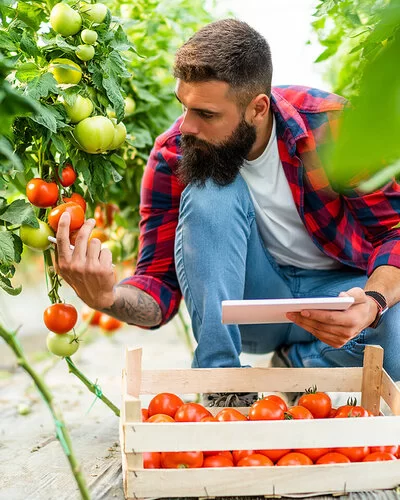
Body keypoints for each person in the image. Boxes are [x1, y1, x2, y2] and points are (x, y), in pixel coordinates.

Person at [54, 19, 400, 406]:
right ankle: (222, 379)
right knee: (209, 188)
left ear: (258, 108)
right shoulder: (174, 154)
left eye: (207, 114)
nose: (187, 127)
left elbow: (395, 233)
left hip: (334, 295)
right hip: (246, 307)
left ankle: (299, 363)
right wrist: (106, 299)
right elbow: (159, 284)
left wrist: (372, 303)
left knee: (397, 336)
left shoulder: (333, 128)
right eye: (184, 107)